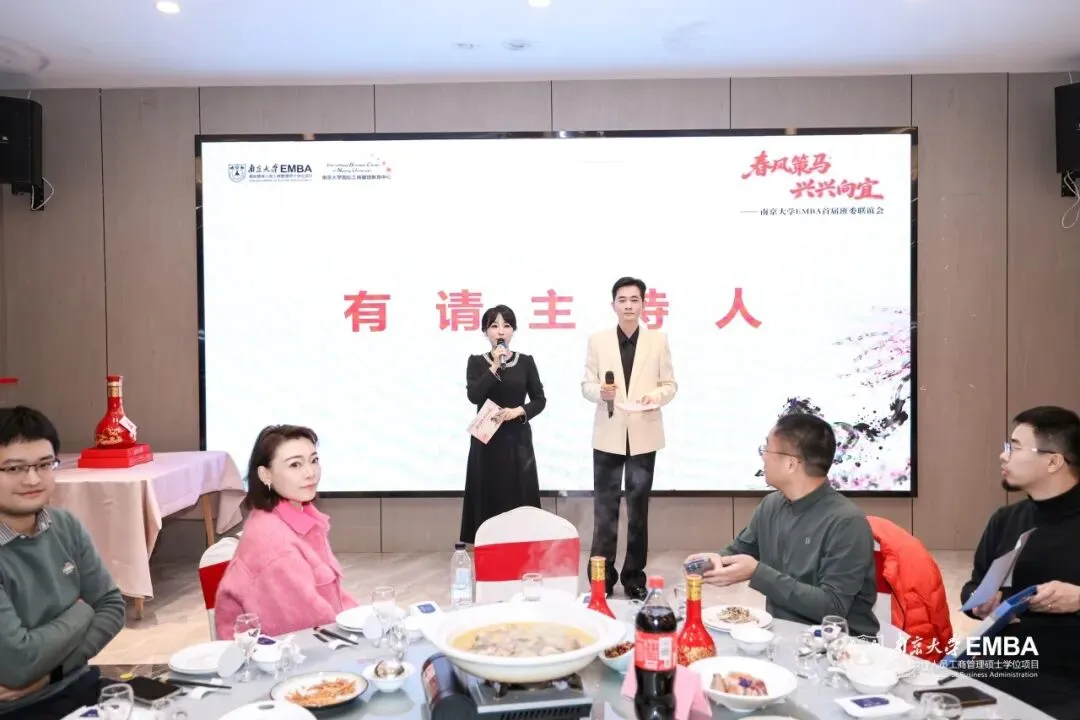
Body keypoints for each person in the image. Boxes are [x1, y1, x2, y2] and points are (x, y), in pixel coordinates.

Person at [686, 413, 879, 637]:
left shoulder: (847, 522)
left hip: (841, 645)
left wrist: (758, 573)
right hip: (783, 635)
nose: (763, 457)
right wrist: (713, 562)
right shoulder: (772, 505)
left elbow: (833, 607)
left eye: (767, 450)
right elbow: (740, 552)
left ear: (790, 464)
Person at [0, 406, 126, 718]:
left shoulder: (64, 525)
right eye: (14, 468)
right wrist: (83, 610)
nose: (32, 479)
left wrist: (51, 675)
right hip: (19, 709)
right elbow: (19, 664)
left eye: (44, 464)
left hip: (78, 685)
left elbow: (112, 607)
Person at [960, 406, 1080, 718]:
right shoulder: (1007, 519)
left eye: (1014, 447)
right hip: (1004, 660)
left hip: (1068, 674)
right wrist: (980, 602)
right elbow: (974, 586)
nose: (1003, 456)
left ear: (1053, 461)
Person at [214, 424, 358, 639]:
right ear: (266, 475)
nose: (310, 473)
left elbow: (333, 599)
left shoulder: (301, 517)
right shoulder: (274, 544)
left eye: (314, 460)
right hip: (282, 651)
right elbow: (306, 628)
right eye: (295, 465)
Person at [581, 277, 677, 600]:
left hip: (644, 434)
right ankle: (602, 578)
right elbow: (586, 385)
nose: (628, 306)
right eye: (622, 300)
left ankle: (634, 577)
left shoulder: (658, 341)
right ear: (613, 305)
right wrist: (601, 392)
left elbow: (670, 385)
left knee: (638, 511)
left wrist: (655, 397)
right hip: (608, 434)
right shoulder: (597, 341)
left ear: (644, 304)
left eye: (634, 300)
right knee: (604, 511)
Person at [460, 305, 547, 544]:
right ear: (485, 332)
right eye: (494, 326)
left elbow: (540, 400)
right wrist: (495, 366)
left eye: (506, 326)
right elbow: (474, 396)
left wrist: (519, 411)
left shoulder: (526, 362)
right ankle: (488, 548)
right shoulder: (476, 362)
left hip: (517, 439)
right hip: (487, 441)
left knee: (518, 494)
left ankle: (522, 548)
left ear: (513, 331)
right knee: (488, 493)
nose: (500, 331)